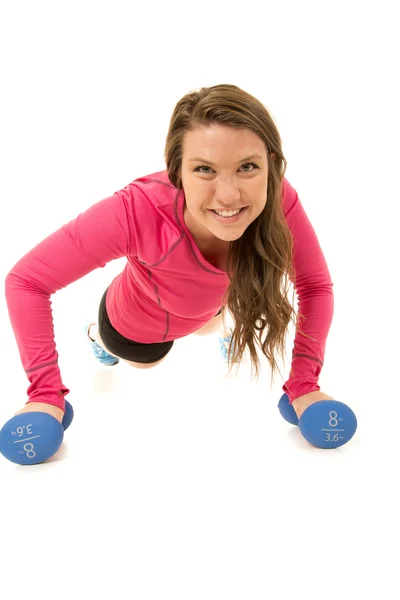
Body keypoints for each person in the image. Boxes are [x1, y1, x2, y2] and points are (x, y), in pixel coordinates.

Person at [3, 83, 335, 434]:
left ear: (271, 165)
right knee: (147, 362)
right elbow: (26, 281)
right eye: (204, 169)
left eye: (247, 167)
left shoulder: (277, 199)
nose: (228, 195)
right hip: (136, 326)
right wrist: (44, 394)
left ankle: (220, 324)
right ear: (177, 171)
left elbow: (315, 286)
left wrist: (304, 384)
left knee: (210, 319)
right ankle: (97, 338)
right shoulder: (135, 211)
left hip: (210, 307)